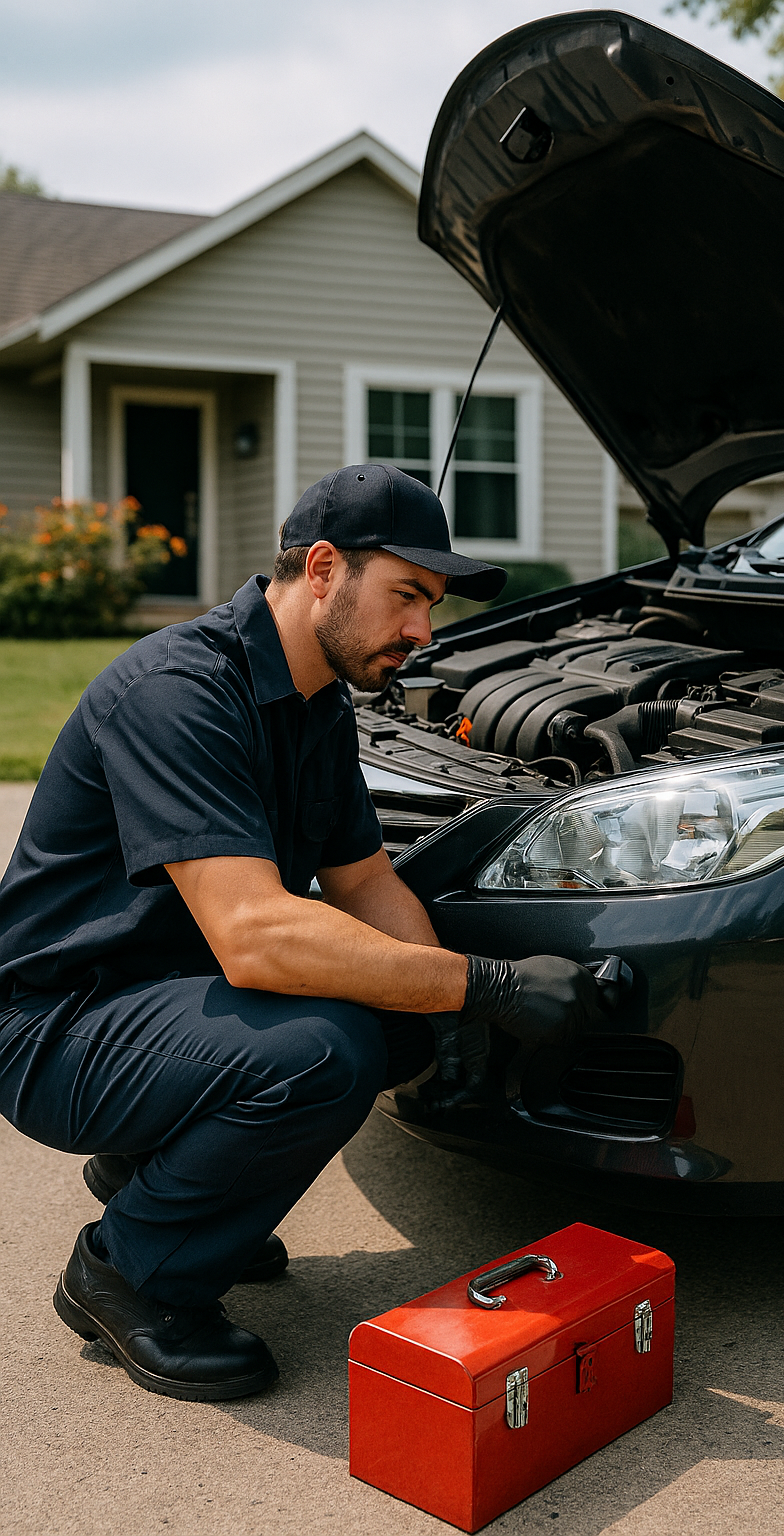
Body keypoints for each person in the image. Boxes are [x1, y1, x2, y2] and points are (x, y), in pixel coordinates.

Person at [0, 464, 605, 1403]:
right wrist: (492, 987)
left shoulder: (316, 702)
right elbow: (255, 938)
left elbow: (364, 883)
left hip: (163, 1006)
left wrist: (458, 1010)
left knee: (400, 1023)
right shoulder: (181, 690)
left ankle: (158, 1177)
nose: (422, 631)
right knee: (320, 1052)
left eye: (431, 605)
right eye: (407, 596)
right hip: (56, 1026)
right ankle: (130, 1272)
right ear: (322, 568)